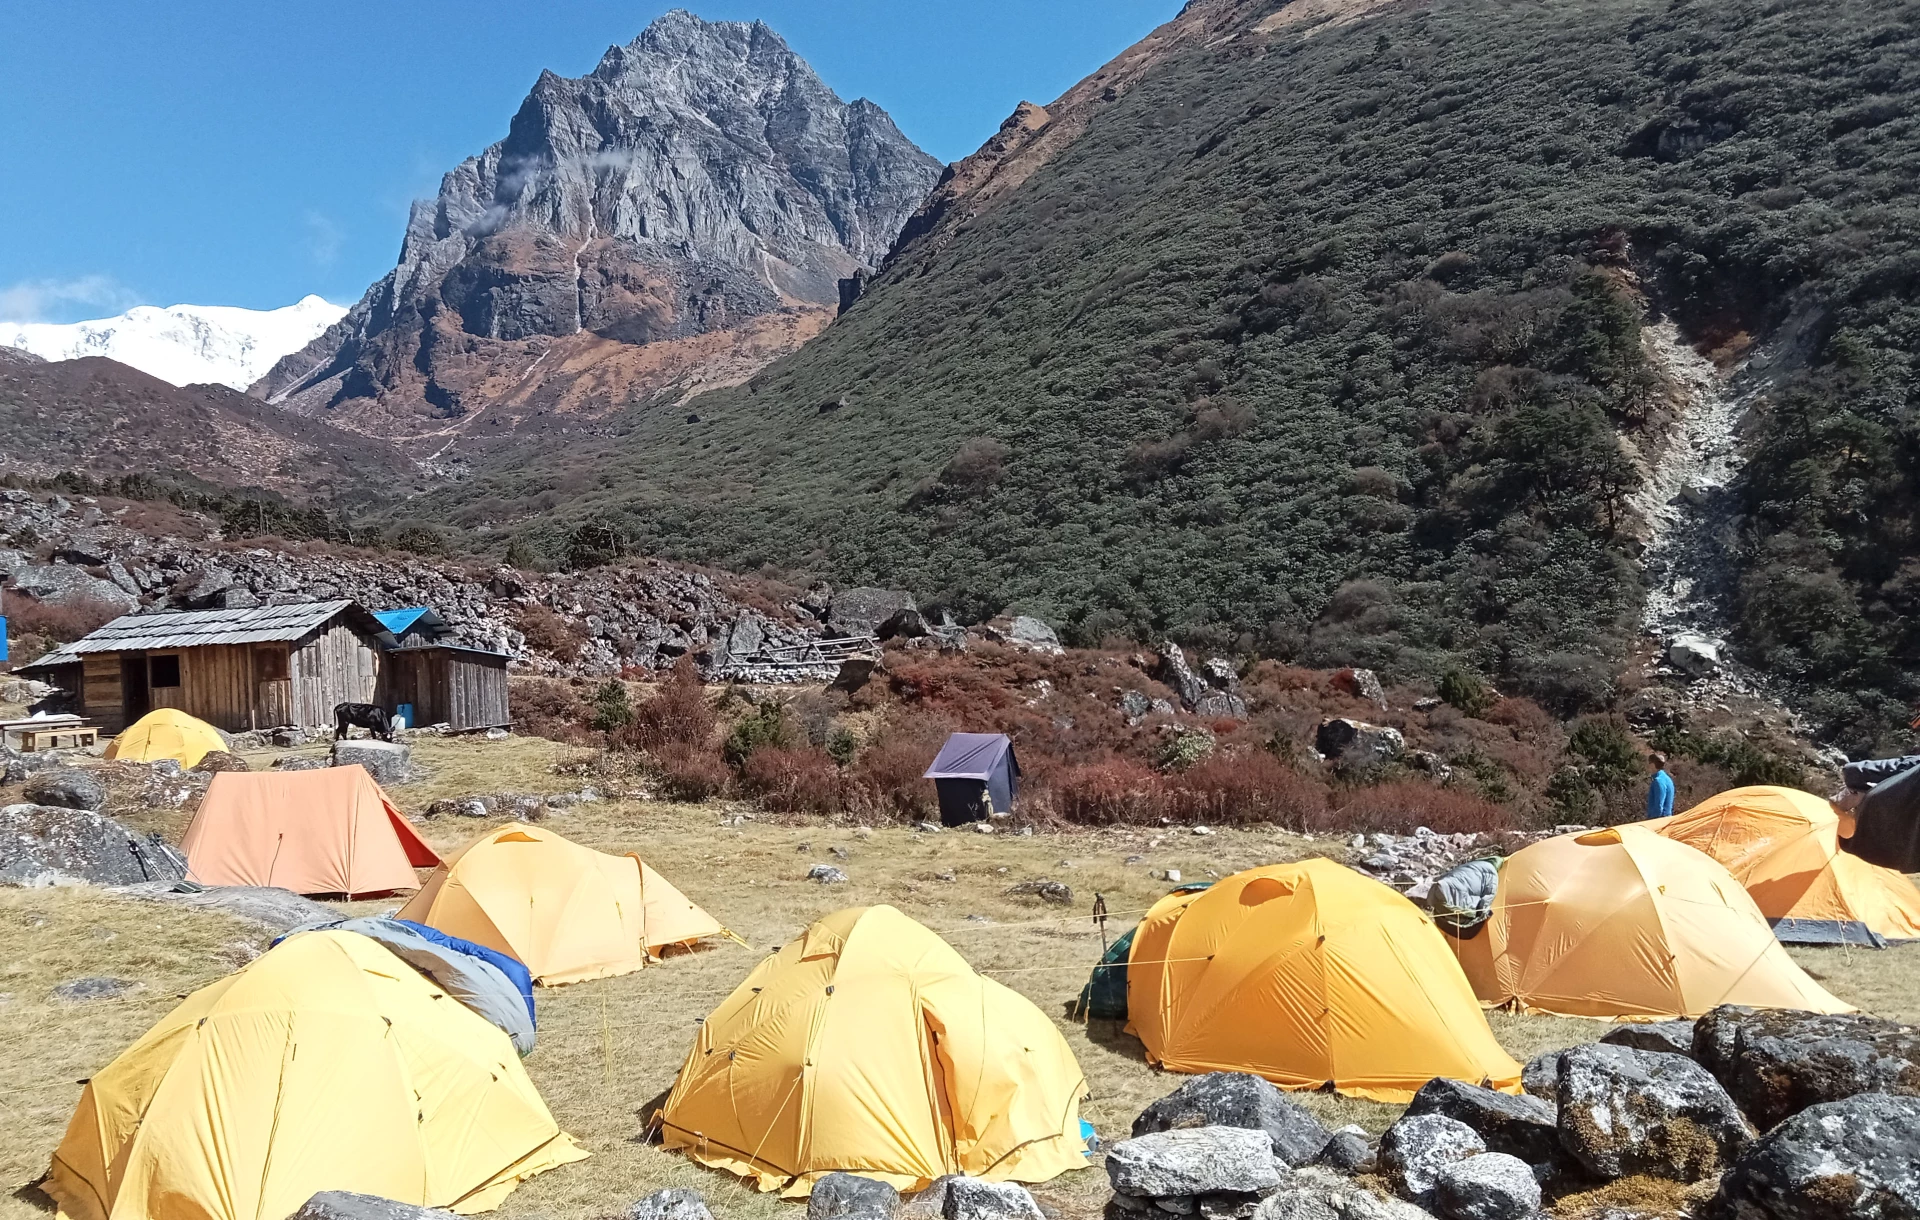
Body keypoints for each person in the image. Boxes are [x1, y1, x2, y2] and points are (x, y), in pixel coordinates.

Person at [1646, 753, 1675, 819]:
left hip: (1659, 821)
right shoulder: (1667, 779)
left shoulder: (1658, 781)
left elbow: (1658, 807)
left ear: (1653, 765)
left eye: (1649, 763)